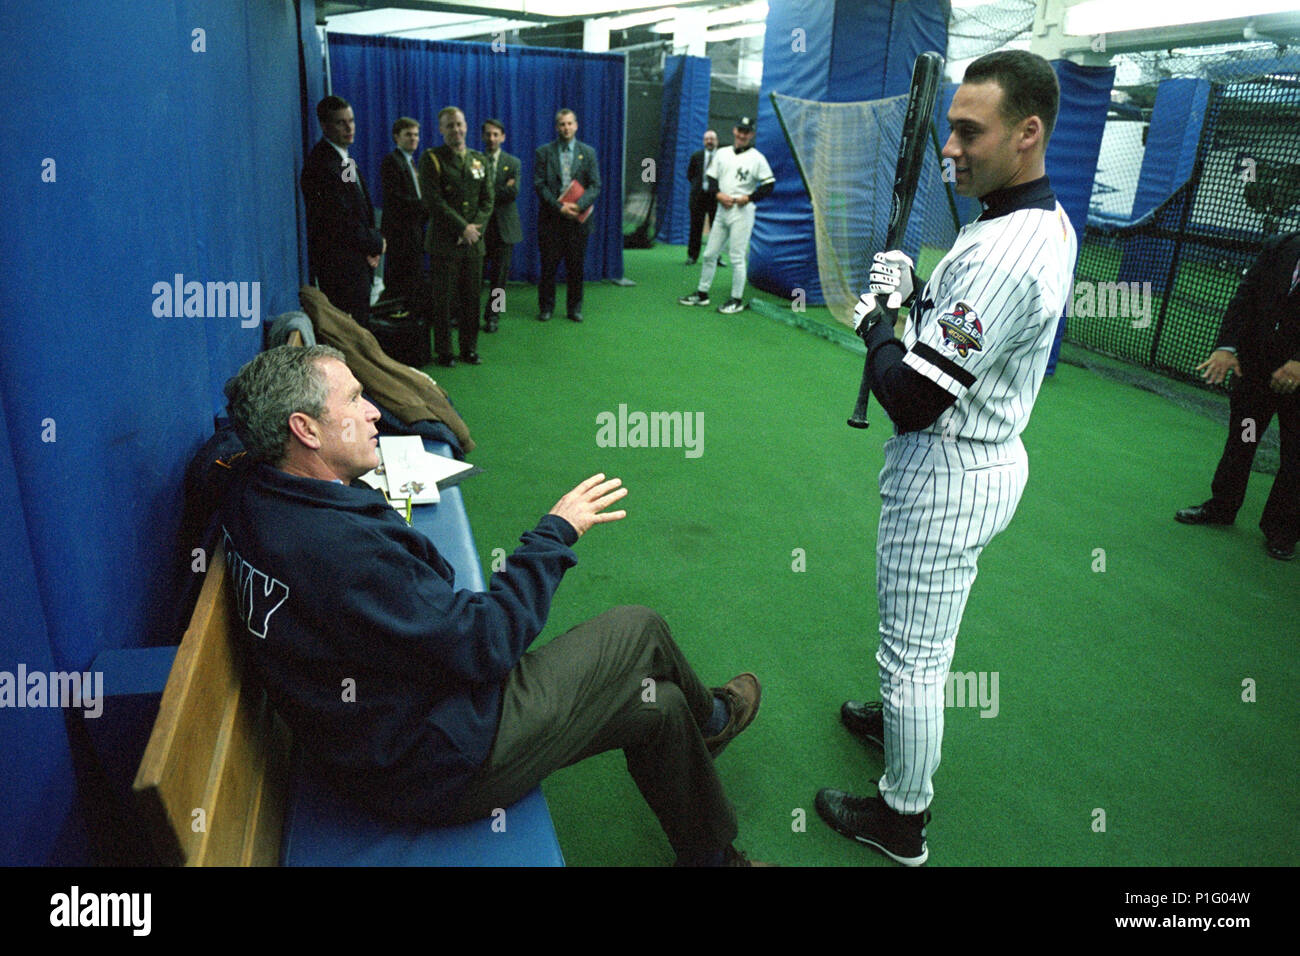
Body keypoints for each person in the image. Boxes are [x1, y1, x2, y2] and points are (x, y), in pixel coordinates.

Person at [219, 344, 767, 866]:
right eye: (356, 400)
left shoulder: (250, 487)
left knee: (659, 705)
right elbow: (485, 642)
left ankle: (711, 857)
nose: (374, 413)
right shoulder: (340, 552)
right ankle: (715, 719)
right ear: (304, 429)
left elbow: (215, 457)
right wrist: (553, 536)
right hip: (437, 763)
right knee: (638, 628)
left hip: (388, 735)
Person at [814, 50, 1077, 865]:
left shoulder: (1003, 249)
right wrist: (918, 290)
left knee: (915, 656)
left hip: (950, 466)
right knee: (924, 641)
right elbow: (967, 333)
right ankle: (899, 723)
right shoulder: (1024, 220)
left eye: (970, 131)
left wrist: (878, 325)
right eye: (950, 129)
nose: (950, 148)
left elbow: (913, 396)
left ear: (1027, 133)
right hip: (983, 453)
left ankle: (902, 820)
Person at [1174, 230, 1300, 560]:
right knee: (1243, 439)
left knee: (1295, 455)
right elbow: (1245, 298)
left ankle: (1282, 531)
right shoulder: (1281, 247)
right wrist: (1227, 348)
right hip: (1256, 374)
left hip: (1298, 385)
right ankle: (1222, 507)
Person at [301, 95, 385, 327]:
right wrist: (376, 243)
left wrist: (372, 246)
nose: (349, 128)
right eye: (341, 123)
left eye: (352, 120)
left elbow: (358, 206)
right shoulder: (322, 166)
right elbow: (340, 222)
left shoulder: (344, 159)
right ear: (325, 126)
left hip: (359, 260)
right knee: (352, 334)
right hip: (341, 269)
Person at [677, 117, 774, 315]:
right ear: (734, 131)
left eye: (746, 132)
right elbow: (711, 178)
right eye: (740, 130)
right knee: (709, 253)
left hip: (742, 211)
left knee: (737, 257)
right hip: (722, 209)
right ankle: (702, 294)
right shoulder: (722, 153)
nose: (742, 135)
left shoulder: (757, 157)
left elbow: (769, 184)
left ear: (751, 135)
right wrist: (718, 194)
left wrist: (749, 197)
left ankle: (736, 299)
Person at [419, 107, 492, 367]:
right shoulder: (432, 159)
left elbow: (487, 200)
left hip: (473, 244)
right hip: (444, 242)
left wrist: (473, 229)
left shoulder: (479, 160)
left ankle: (469, 349)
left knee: (472, 300)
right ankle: (445, 351)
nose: (456, 130)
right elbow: (433, 200)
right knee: (444, 301)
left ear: (466, 126)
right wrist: (462, 228)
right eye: (449, 126)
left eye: (459, 124)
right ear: (441, 130)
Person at [534, 109, 600, 322]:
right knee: (548, 267)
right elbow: (539, 185)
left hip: (577, 221)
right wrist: (558, 207)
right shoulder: (543, 152)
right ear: (556, 127)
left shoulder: (588, 152)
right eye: (562, 124)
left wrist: (579, 205)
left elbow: (595, 185)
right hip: (551, 219)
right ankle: (546, 307)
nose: (566, 128)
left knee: (576, 267)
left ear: (576, 125)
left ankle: (574, 308)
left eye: (570, 123)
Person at [378, 117, 429, 307]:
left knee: (414, 279)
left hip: (415, 230)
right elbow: (396, 199)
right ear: (396, 137)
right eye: (408, 134)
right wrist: (428, 205)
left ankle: (412, 317)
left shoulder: (412, 162)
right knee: (400, 282)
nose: (414, 138)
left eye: (416, 134)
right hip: (399, 233)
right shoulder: (392, 161)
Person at [480, 118, 522, 333]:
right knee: (473, 277)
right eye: (488, 134)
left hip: (505, 229)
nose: (492, 138)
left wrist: (487, 193)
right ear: (482, 136)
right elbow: (474, 192)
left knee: (500, 279)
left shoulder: (513, 162)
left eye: (496, 134)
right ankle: (467, 315)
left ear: (503, 137)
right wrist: (500, 189)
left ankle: (494, 316)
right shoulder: (475, 160)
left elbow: (513, 192)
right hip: (481, 229)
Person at [685, 130, 719, 265]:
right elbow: (690, 175)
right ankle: (692, 256)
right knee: (695, 227)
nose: (709, 141)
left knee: (716, 229)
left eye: (712, 139)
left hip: (715, 197)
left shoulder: (722, 157)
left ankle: (716, 257)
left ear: (716, 140)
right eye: (707, 139)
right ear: (704, 141)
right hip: (698, 197)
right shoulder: (696, 156)